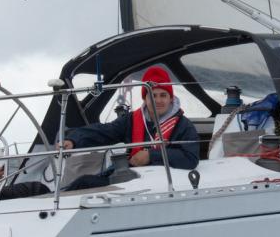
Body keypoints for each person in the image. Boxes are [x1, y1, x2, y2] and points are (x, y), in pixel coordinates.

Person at [61, 66, 199, 171]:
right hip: (134, 177)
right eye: (153, 95)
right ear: (145, 98)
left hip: (164, 181)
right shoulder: (130, 120)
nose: (158, 100)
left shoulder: (184, 125)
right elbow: (104, 131)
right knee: (83, 184)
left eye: (163, 95)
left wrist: (151, 155)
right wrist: (73, 140)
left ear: (171, 99)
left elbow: (190, 158)